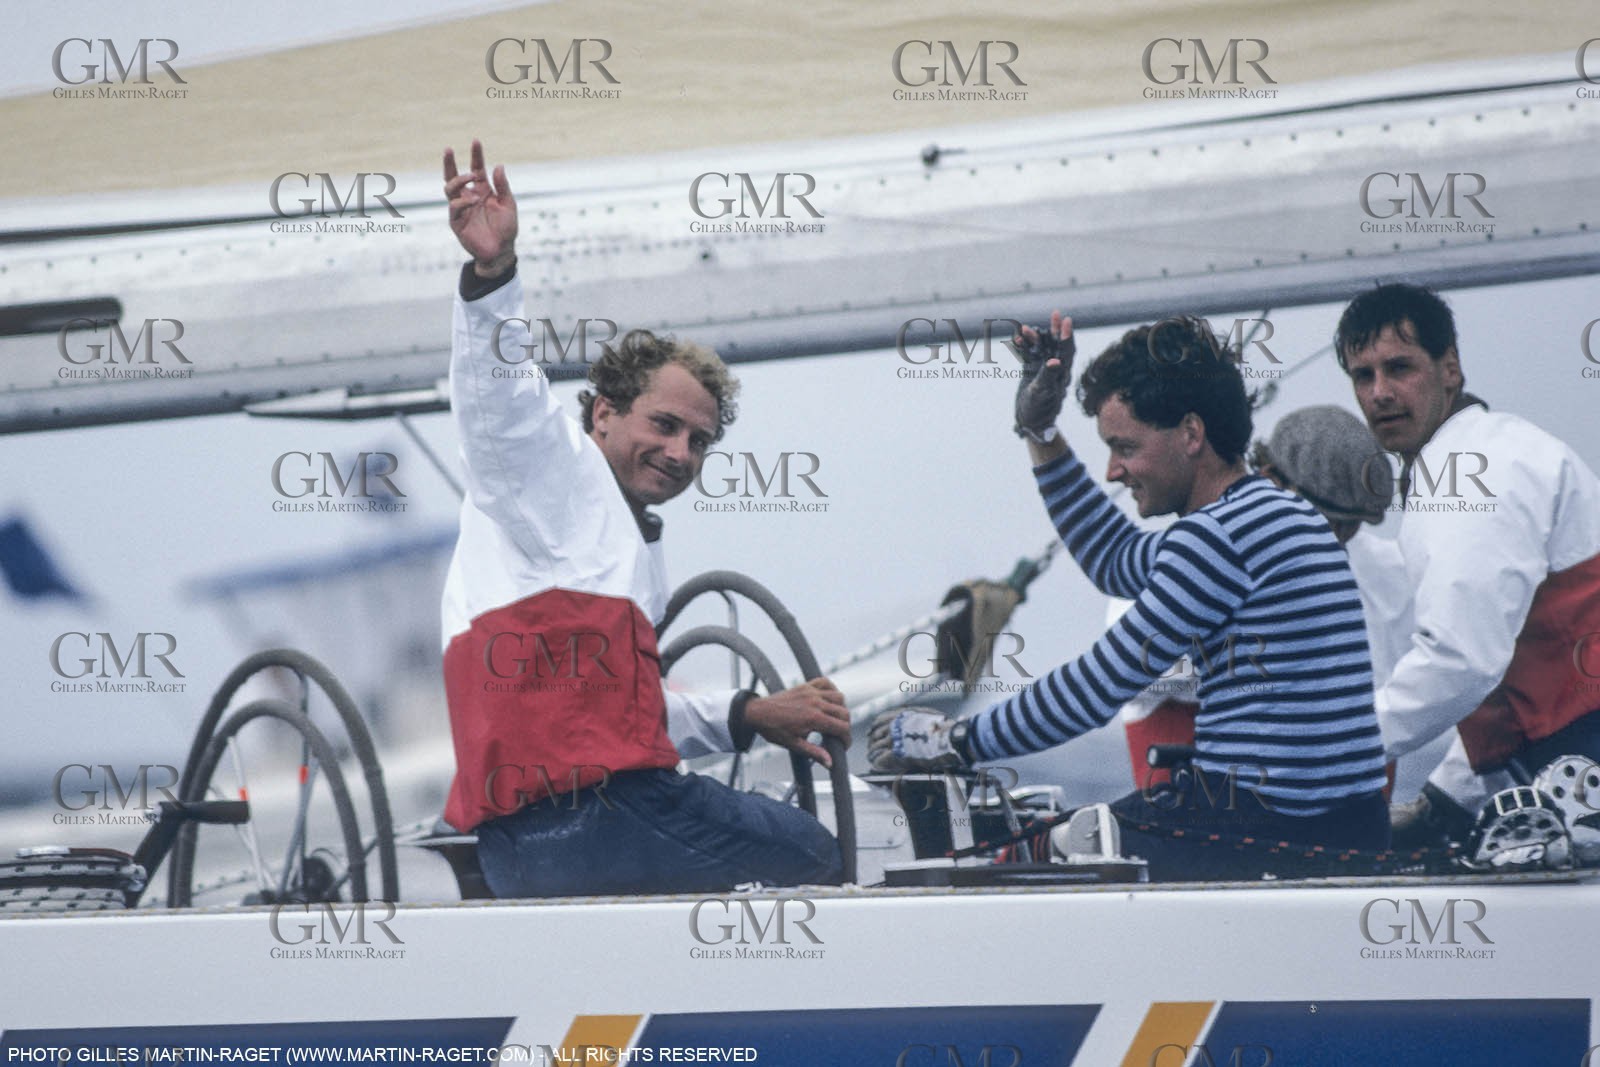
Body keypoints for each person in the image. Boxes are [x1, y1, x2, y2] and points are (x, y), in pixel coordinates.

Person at [437, 140, 848, 895]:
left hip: (525, 842)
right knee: (815, 856)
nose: (680, 451)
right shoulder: (551, 473)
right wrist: (492, 277)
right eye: (662, 425)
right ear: (602, 414)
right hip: (603, 813)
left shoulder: (617, 542)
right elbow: (499, 401)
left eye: (699, 440)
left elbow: (620, 709)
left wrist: (746, 713)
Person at [871, 312, 1391, 879]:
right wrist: (1041, 432)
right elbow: (1116, 560)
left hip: (1267, 830)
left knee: (1007, 864)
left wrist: (954, 739)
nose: (1114, 471)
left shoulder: (1217, 537)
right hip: (1346, 825)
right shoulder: (1275, 514)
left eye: (1125, 447)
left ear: (1191, 435)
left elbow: (1097, 687)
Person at [1334, 282, 1600, 841]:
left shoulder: (1467, 471)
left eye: (1399, 367)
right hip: (1569, 766)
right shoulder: (1497, 449)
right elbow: (1497, 676)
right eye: (1364, 376)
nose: (1380, 392)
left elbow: (1460, 659)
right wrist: (1447, 798)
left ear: (1450, 368)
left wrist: (1330, 748)